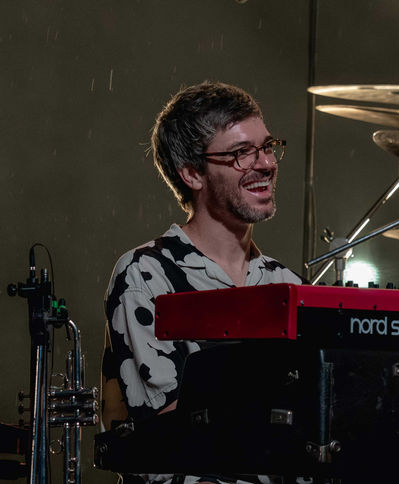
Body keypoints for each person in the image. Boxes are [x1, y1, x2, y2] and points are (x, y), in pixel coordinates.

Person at [101, 81, 304, 484]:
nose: (265, 163)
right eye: (241, 153)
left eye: (267, 147)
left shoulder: (287, 284)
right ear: (193, 173)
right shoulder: (146, 275)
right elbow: (171, 435)